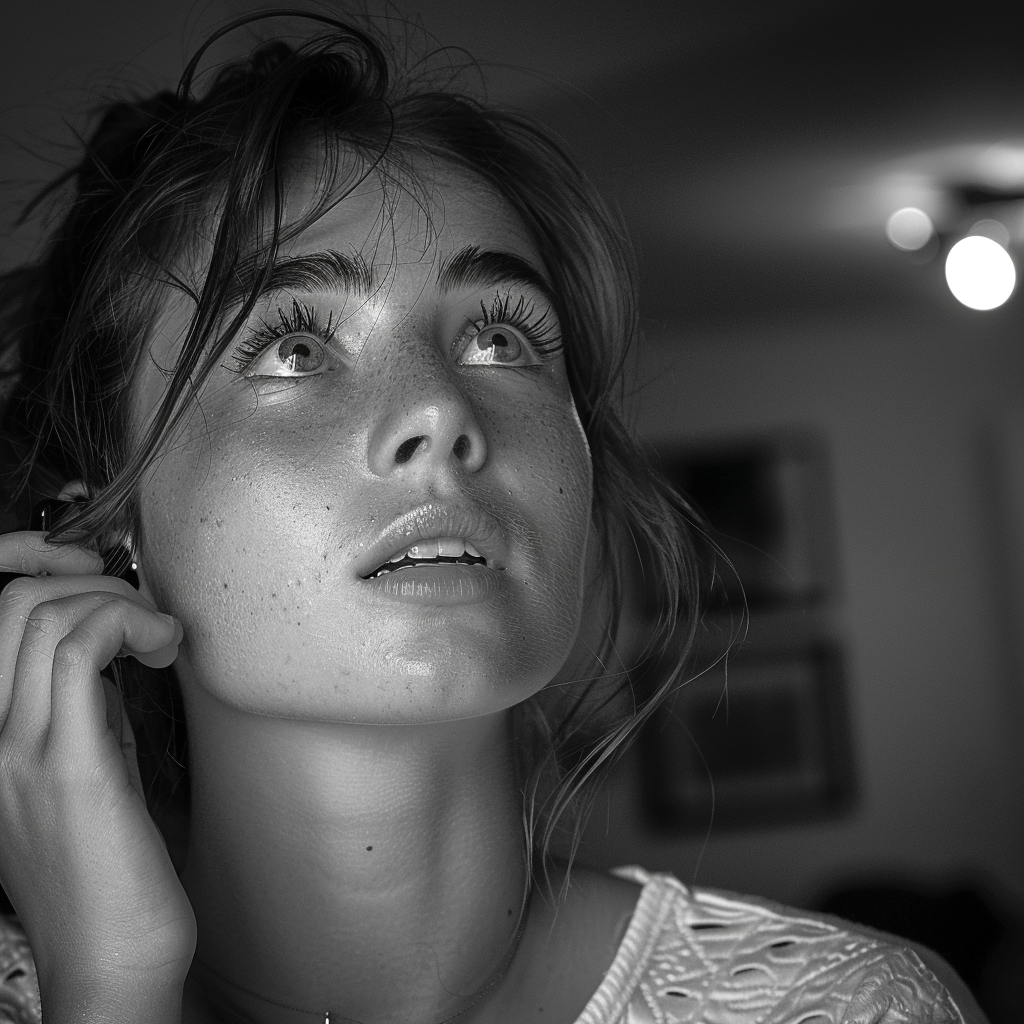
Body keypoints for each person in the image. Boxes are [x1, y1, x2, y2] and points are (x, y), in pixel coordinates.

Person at [0, 11, 987, 1024]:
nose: (440, 409)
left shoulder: (860, 1009)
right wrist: (111, 990)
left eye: (503, 339)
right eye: (294, 346)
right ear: (106, 532)